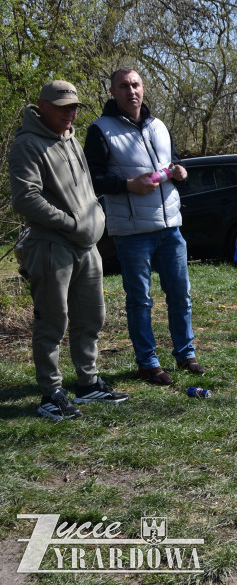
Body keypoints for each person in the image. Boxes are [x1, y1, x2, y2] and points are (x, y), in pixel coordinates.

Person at [9, 80, 130, 419]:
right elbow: (26, 199)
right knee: (53, 322)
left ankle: (88, 385)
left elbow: (87, 189)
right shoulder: (27, 144)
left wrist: (95, 217)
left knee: (92, 317)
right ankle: (51, 394)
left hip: (87, 247)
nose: (70, 112)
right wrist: (73, 223)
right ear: (42, 105)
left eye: (74, 106)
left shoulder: (72, 138)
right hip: (51, 246)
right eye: (62, 107)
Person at [85, 68, 205, 386]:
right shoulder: (100, 130)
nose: (131, 91)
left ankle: (185, 353)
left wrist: (179, 170)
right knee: (140, 299)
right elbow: (92, 178)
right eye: (123, 86)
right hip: (132, 230)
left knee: (180, 294)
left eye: (136, 85)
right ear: (112, 91)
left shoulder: (159, 126)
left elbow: (172, 160)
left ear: (144, 88)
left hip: (170, 227)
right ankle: (148, 363)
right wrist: (128, 184)